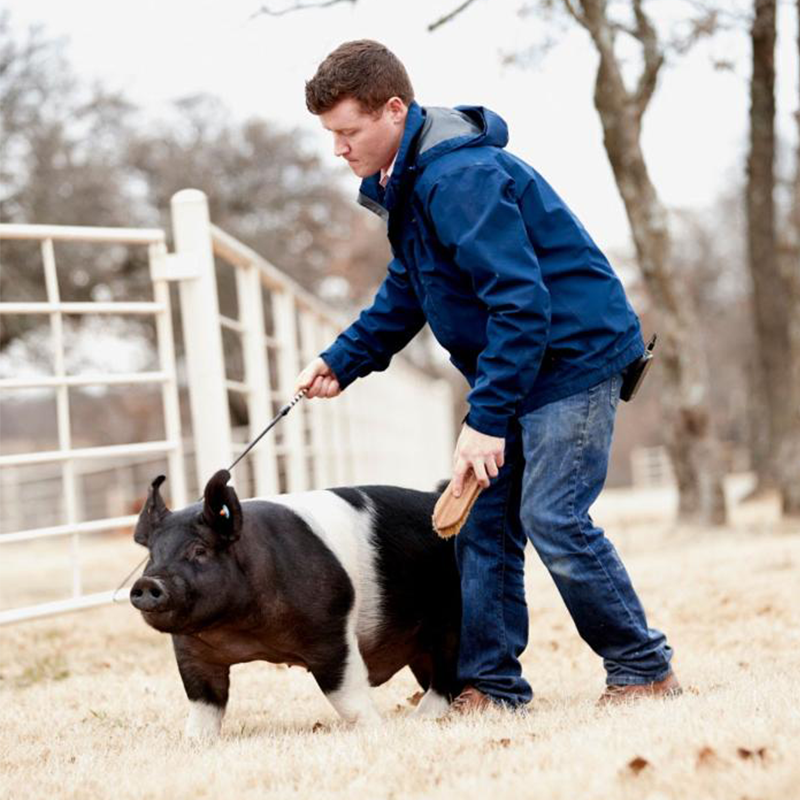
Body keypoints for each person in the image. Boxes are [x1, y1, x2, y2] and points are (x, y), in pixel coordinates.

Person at [294, 39, 679, 712]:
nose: (339, 149)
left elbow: (520, 303)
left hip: (573, 356)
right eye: (331, 135)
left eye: (348, 131)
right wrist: (341, 360)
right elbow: (409, 292)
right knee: (483, 522)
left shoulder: (457, 178)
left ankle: (644, 668)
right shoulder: (408, 186)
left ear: (393, 110)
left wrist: (485, 419)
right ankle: (491, 687)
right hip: (522, 359)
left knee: (552, 514)